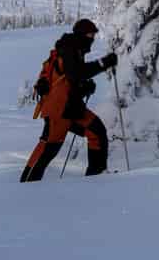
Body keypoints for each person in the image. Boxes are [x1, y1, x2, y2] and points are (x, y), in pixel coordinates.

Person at [20, 18, 117, 182]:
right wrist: (103, 64)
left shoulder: (74, 49)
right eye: (90, 34)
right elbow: (76, 73)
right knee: (48, 148)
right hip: (59, 111)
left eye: (93, 34)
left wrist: (85, 87)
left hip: (70, 108)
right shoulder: (69, 49)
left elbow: (70, 78)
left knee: (97, 131)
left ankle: (96, 177)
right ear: (81, 35)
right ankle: (26, 184)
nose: (92, 38)